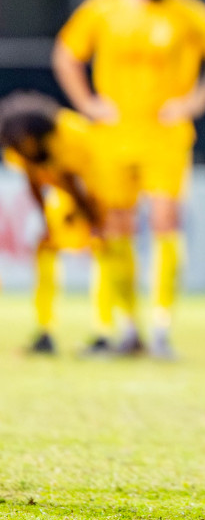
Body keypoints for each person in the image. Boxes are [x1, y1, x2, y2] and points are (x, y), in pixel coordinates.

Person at [52, 0, 205, 357]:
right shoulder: (103, 9)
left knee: (166, 221)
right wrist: (87, 103)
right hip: (112, 137)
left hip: (166, 136)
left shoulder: (187, 13)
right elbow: (66, 55)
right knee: (114, 226)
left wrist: (196, 101)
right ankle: (124, 326)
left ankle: (162, 327)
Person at [0, 92, 112, 354]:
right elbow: (33, 180)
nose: (23, 148)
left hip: (99, 193)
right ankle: (45, 330)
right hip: (67, 197)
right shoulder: (18, 147)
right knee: (45, 249)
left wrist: (93, 221)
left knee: (104, 252)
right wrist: (46, 222)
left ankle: (105, 332)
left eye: (26, 142)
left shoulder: (70, 132)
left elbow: (72, 181)